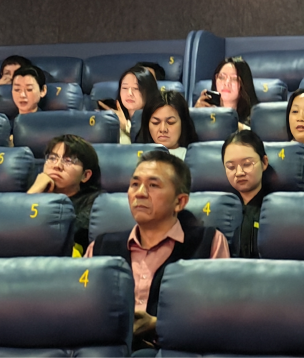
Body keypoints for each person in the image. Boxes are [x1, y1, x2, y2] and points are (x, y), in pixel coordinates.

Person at [85, 150, 229, 354]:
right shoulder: (100, 247)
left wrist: (156, 324)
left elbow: (217, 315)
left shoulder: (208, 242)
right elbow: (82, 309)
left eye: (153, 185)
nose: (140, 193)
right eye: (134, 184)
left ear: (179, 202)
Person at [27, 134, 104, 255]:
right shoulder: (35, 191)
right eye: (52, 158)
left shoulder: (96, 202)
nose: (57, 166)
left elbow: (65, 233)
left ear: (85, 175)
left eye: (68, 161)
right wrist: (34, 192)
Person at [222, 131, 270, 258]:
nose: (239, 173)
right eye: (231, 167)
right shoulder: (220, 208)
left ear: (264, 162)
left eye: (247, 164)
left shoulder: (276, 208)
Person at [99, 66, 161, 144]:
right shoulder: (111, 117)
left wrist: (126, 128)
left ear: (149, 91)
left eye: (136, 88)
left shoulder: (158, 119)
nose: (129, 93)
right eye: (125, 88)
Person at [195, 57, 260, 130]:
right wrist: (195, 115)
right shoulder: (205, 112)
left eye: (234, 79)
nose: (227, 83)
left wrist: (223, 118)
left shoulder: (257, 117)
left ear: (244, 84)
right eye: (222, 77)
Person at [135, 91, 198, 160]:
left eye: (170, 122)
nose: (163, 129)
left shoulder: (195, 157)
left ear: (183, 124)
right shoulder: (135, 156)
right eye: (156, 123)